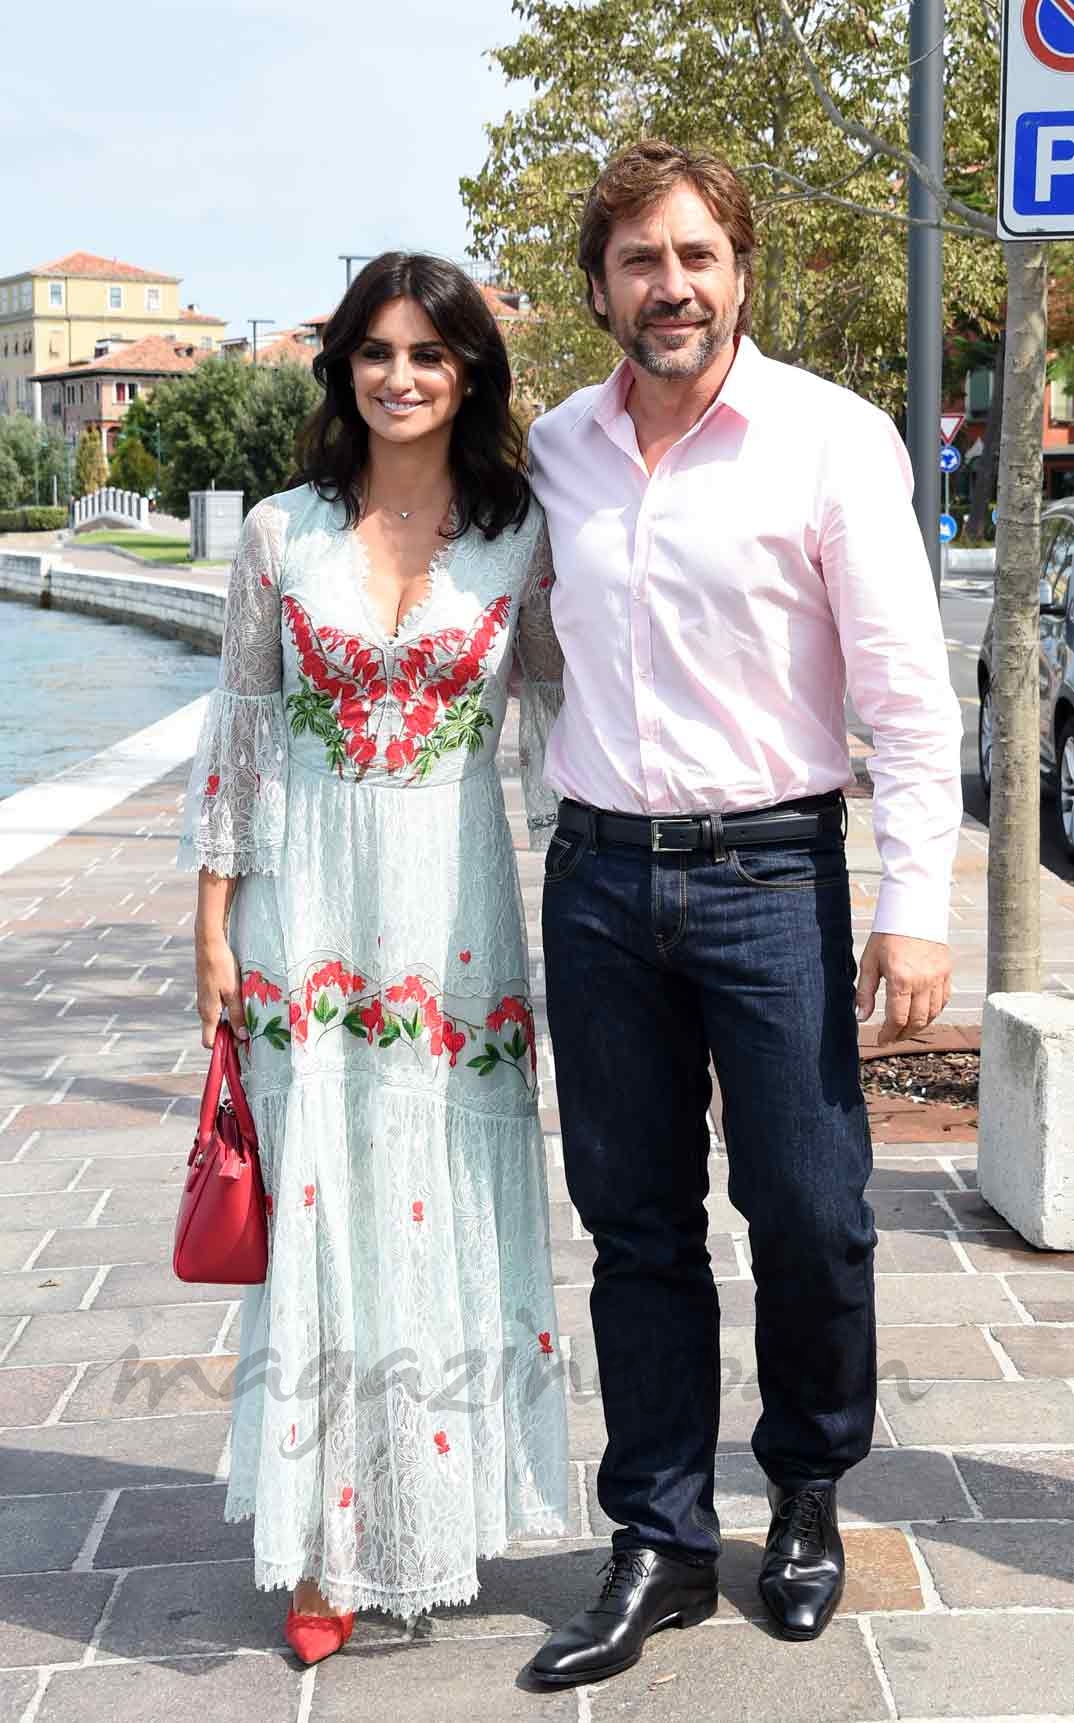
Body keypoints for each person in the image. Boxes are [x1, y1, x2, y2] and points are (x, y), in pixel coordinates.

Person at [525, 140, 963, 1688]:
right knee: (634, 1225)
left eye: (697, 255)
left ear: (741, 272)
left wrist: (917, 910)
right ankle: (655, 1534)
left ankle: (801, 1492)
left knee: (811, 1212)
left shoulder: (832, 440)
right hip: (595, 882)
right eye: (640, 259)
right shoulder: (553, 450)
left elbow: (910, 703)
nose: (672, 285)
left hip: (773, 872)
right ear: (598, 287)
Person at [179, 253, 568, 1663]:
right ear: (342, 367)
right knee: (329, 1215)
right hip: (310, 910)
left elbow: (574, 706)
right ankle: (327, 1549)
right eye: (374, 351)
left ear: (468, 372)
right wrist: (213, 923)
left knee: (440, 1194)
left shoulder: (521, 535)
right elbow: (240, 726)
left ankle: (438, 1509)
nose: (400, 376)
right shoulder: (280, 534)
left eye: (429, 353)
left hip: (454, 915)